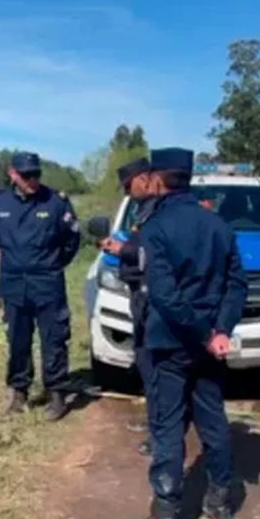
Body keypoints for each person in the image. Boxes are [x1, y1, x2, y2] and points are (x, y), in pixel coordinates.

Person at [124, 147, 249, 519]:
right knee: (214, 423)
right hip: (209, 347)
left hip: (171, 345)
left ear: (158, 179)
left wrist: (201, 332)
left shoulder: (157, 227)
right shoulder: (218, 225)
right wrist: (220, 330)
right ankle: (219, 504)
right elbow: (236, 285)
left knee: (167, 429)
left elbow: (165, 296)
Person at [0, 151, 83, 421]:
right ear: (12, 174)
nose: (32, 180)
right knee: (17, 340)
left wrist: (51, 265)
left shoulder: (55, 202)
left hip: (47, 283)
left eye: (36, 174)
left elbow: (72, 240)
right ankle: (19, 393)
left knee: (53, 339)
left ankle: (56, 393)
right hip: (14, 284)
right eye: (26, 175)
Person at [100, 158, 160, 455]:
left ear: (143, 179)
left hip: (154, 300)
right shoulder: (142, 209)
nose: (127, 192)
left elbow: (152, 251)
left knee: (155, 365)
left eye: (128, 186)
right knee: (145, 362)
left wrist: (122, 249)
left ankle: (160, 431)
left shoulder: (159, 210)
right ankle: (154, 421)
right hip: (140, 296)